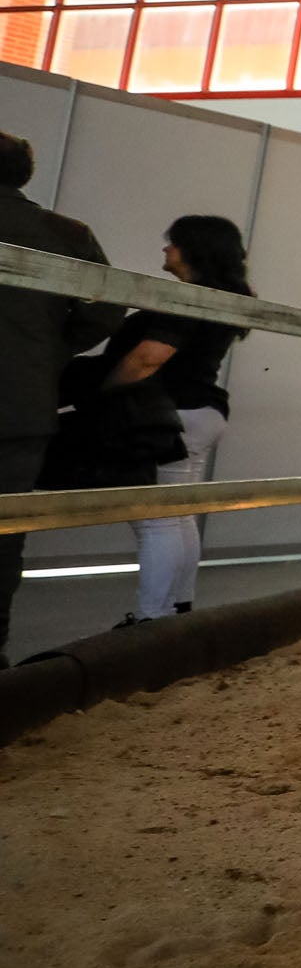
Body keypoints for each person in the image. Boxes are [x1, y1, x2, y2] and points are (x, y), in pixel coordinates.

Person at [0, 130, 124, 650]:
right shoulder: (66, 232)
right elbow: (107, 307)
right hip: (20, 405)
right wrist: (49, 350)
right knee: (4, 534)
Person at [108, 214, 251, 627]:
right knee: (178, 513)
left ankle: (153, 619)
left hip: (171, 414)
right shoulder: (223, 297)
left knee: (156, 518)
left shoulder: (189, 301)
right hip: (201, 411)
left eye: (172, 242)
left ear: (193, 249)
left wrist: (102, 391)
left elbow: (147, 358)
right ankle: (177, 610)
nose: (165, 249)